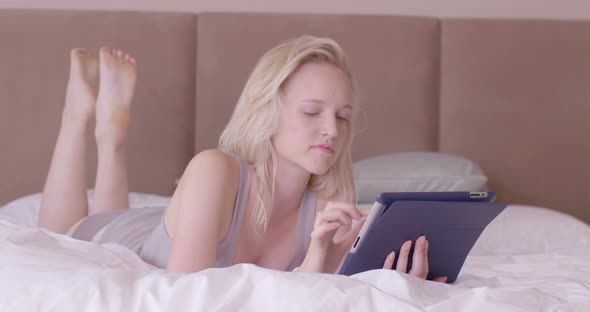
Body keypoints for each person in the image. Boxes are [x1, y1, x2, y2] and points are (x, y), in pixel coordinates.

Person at [37, 36, 446, 282]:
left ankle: (111, 134)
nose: (332, 131)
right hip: (120, 237)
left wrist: (397, 282)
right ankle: (80, 118)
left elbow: (321, 294)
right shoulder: (214, 169)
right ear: (267, 113)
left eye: (342, 117)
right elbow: (189, 295)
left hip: (167, 228)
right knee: (59, 235)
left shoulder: (332, 202)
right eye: (311, 112)